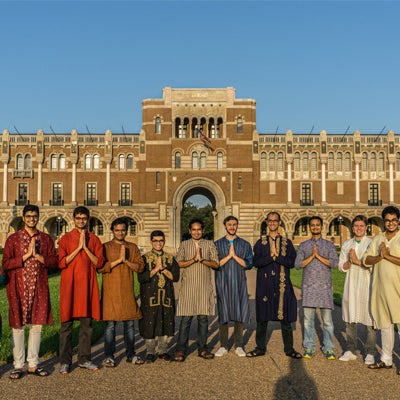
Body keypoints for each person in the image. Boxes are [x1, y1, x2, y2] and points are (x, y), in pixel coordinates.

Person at [2, 204, 58, 379]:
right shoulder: (13, 239)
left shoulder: (46, 239)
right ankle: (18, 365)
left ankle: (33, 363)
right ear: (23, 217)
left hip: (39, 287)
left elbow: (54, 262)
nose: (31, 219)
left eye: (34, 216)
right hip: (18, 287)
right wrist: (26, 256)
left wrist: (40, 257)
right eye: (28, 216)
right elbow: (5, 264)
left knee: (37, 325)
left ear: (38, 217)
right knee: (18, 326)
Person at [246, 212, 302, 359]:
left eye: (275, 221)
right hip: (264, 284)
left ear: (279, 223)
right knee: (262, 318)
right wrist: (270, 257)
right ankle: (260, 347)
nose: (272, 223)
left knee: (285, 318)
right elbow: (256, 263)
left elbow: (292, 262)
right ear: (267, 223)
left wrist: (278, 257)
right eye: (270, 221)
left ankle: (289, 349)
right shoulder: (260, 242)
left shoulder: (286, 243)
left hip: (281, 284)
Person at [58, 206, 104, 374]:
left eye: (84, 218)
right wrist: (78, 247)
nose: (81, 221)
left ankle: (84, 359)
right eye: (78, 218)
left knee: (86, 326)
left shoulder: (94, 239)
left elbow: (98, 263)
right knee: (66, 326)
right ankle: (65, 361)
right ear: (73, 219)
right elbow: (62, 262)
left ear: (88, 219)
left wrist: (85, 247)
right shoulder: (65, 239)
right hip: (70, 287)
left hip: (86, 287)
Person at [99, 218, 145, 367]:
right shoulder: (105, 247)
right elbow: (100, 267)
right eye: (117, 230)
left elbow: (140, 267)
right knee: (110, 326)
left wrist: (126, 262)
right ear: (112, 230)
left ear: (126, 231)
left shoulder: (132, 247)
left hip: (127, 291)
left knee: (129, 325)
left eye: (123, 230)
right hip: (110, 291)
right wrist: (118, 261)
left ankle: (131, 354)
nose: (120, 232)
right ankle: (109, 355)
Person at [173, 219, 219, 362]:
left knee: (203, 320)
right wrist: (194, 259)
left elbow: (216, 264)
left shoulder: (209, 244)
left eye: (199, 229)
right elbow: (179, 263)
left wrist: (202, 260)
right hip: (188, 287)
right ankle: (180, 350)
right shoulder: (184, 245)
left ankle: (202, 348)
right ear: (189, 231)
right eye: (194, 229)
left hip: (204, 287)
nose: (196, 232)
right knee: (185, 320)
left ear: (203, 231)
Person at [295, 216, 339, 360]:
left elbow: (334, 264)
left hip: (324, 287)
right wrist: (311, 256)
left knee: (327, 321)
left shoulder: (329, 245)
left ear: (322, 227)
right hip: (309, 287)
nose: (315, 227)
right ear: (309, 227)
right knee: (308, 321)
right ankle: (309, 347)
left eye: (317, 225)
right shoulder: (303, 245)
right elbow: (297, 265)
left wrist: (318, 256)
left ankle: (329, 348)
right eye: (312, 225)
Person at [363, 206, 400, 372]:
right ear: (384, 221)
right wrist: (379, 256)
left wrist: (387, 256)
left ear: (398, 220)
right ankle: (386, 359)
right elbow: (366, 259)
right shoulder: (377, 238)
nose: (390, 223)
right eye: (387, 220)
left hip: (398, 288)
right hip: (381, 289)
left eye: (393, 220)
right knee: (385, 324)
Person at [338, 215, 375, 364]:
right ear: (352, 228)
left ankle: (370, 352)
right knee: (350, 320)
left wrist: (357, 261)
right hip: (351, 285)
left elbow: (374, 265)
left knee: (369, 321)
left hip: (367, 285)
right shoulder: (347, 245)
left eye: (361, 226)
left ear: (366, 227)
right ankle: (351, 350)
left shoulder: (372, 244)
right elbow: (341, 266)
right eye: (356, 226)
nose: (358, 228)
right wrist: (348, 262)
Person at [214, 216, 253, 357]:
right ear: (225, 225)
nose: (232, 227)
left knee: (239, 312)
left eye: (234, 224)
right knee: (223, 313)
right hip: (222, 282)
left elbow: (249, 264)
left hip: (239, 282)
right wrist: (228, 257)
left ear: (237, 226)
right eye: (229, 224)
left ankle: (238, 345)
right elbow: (215, 264)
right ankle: (223, 345)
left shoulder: (244, 244)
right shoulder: (217, 244)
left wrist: (235, 256)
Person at [139, 230, 180, 363]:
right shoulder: (144, 258)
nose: (158, 243)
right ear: (151, 242)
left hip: (166, 295)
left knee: (165, 321)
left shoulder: (170, 258)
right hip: (149, 295)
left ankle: (163, 350)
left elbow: (176, 277)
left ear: (164, 241)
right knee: (149, 323)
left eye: (161, 241)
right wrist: (156, 269)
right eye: (155, 241)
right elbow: (141, 278)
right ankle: (150, 351)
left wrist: (163, 269)